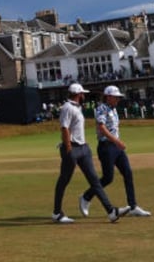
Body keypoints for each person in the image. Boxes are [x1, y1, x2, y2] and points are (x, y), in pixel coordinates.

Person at [53, 83, 129, 223]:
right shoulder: (67, 107)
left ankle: (111, 212)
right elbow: (64, 128)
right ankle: (57, 213)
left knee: (94, 181)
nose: (84, 95)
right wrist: (68, 148)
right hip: (72, 148)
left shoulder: (77, 107)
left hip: (83, 148)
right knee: (64, 180)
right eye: (82, 93)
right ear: (78, 95)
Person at [79, 86, 152, 218]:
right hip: (106, 146)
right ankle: (86, 196)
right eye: (116, 97)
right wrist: (116, 141)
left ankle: (133, 206)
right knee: (108, 178)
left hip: (116, 146)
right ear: (108, 97)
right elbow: (102, 128)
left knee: (127, 173)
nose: (118, 99)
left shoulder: (113, 109)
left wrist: (117, 142)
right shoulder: (102, 108)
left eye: (118, 97)